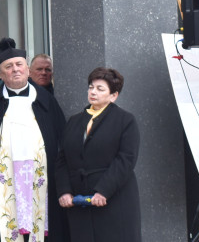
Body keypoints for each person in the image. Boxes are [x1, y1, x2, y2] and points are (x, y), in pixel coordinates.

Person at [0, 39, 68, 242]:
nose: (15, 70)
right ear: (1, 73)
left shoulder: (46, 101)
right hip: (4, 181)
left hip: (41, 179)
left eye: (19, 65)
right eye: (9, 66)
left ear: (27, 69)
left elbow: (62, 140)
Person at [54, 67, 140, 242]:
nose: (93, 92)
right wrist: (64, 191)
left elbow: (126, 160)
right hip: (79, 201)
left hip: (113, 199)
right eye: (91, 87)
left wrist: (103, 191)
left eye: (100, 89)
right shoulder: (74, 121)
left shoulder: (125, 120)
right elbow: (62, 159)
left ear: (113, 95)